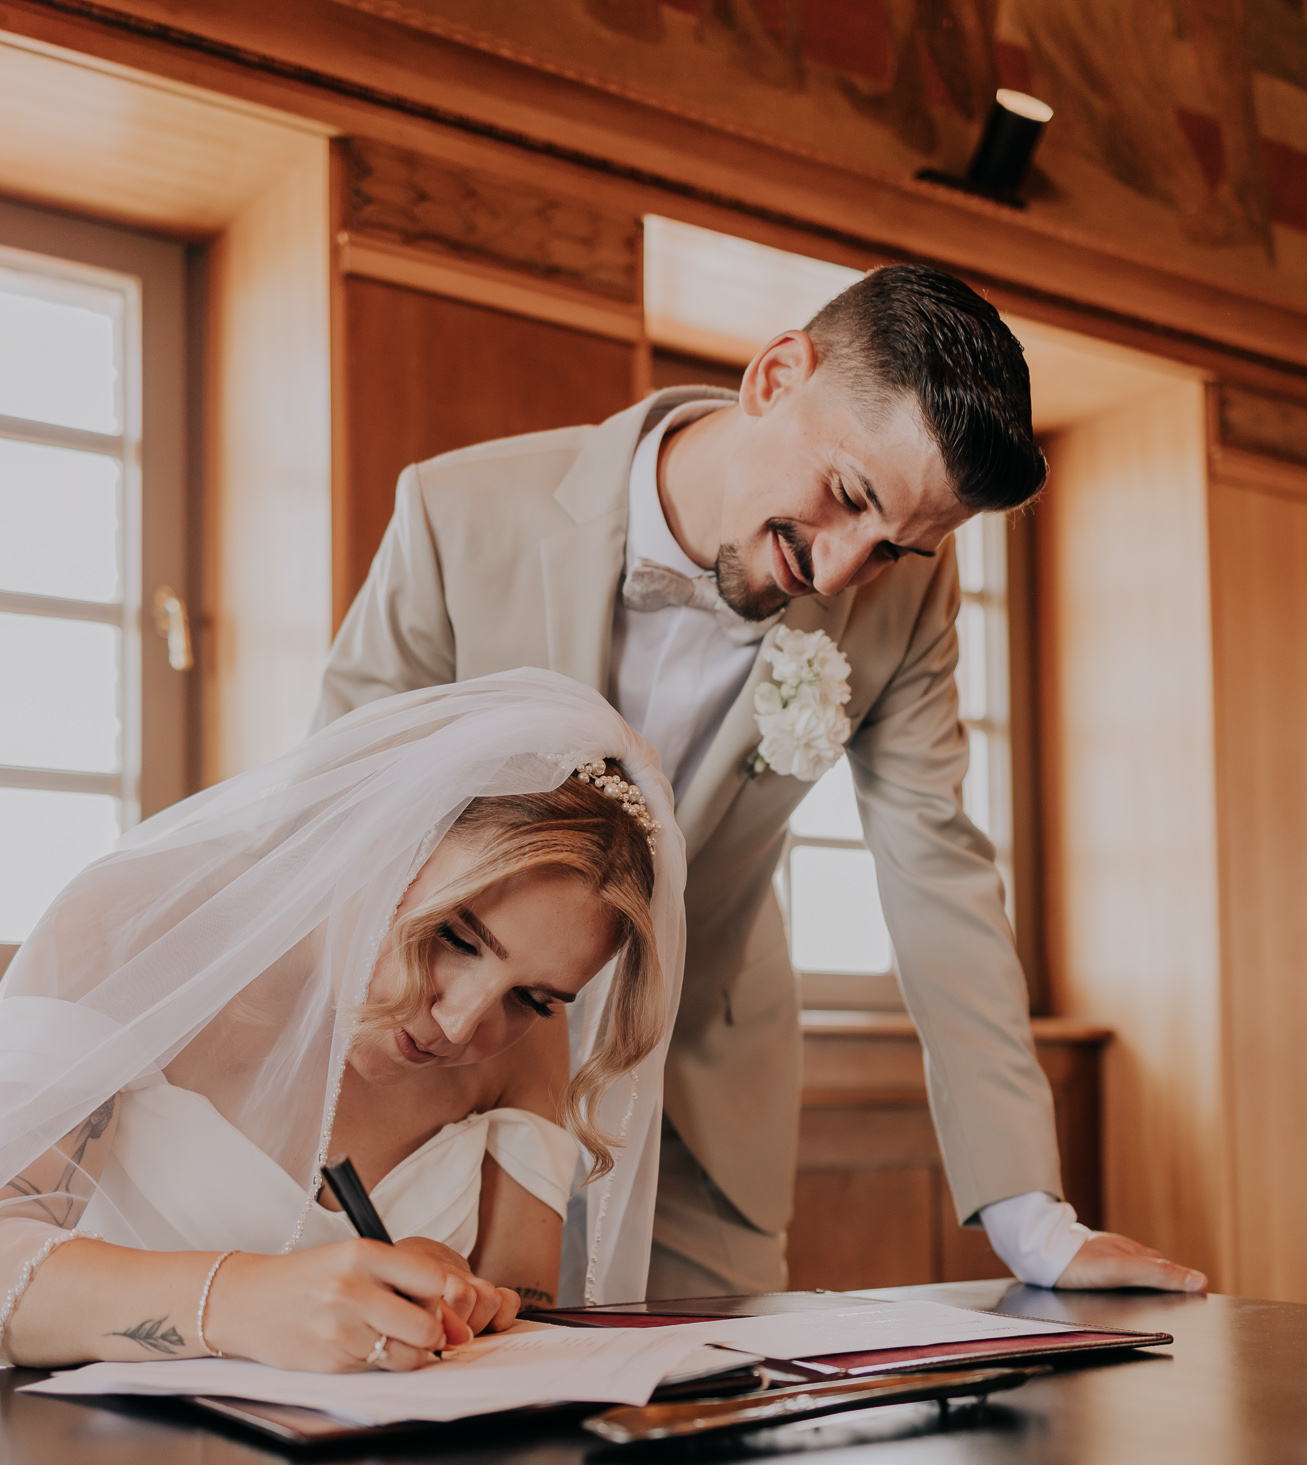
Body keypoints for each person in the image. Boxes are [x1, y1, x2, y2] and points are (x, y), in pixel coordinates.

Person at [315, 262, 1205, 1301]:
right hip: (451, 1066)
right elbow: (336, 814)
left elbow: (936, 866)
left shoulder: (900, 604)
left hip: (703, 1109)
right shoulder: (456, 513)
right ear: (775, 375)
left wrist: (1031, 1219)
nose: (835, 576)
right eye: (846, 496)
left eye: (892, 550)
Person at [0, 672, 684, 1371]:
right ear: (388, 840)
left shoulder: (529, 1038)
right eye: (455, 937)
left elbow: (517, 1333)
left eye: (533, 997)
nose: (460, 1025)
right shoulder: (131, 929)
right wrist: (246, 1300)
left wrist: (447, 1302)